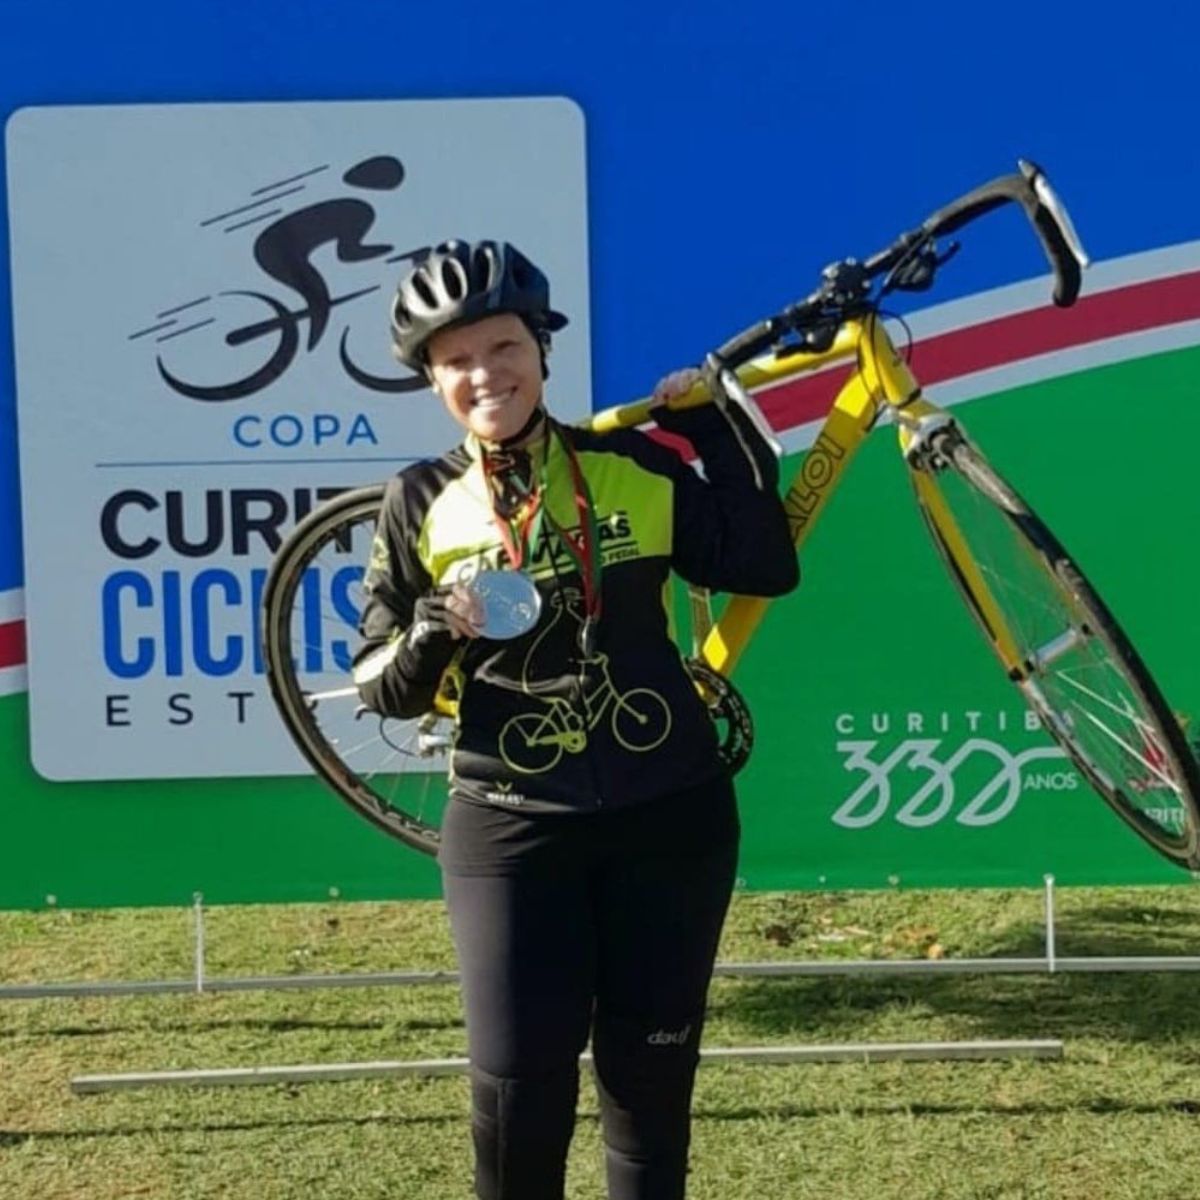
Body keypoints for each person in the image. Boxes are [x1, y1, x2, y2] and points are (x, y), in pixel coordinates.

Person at [353, 239, 798, 1200]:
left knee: (649, 1095)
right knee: (521, 1093)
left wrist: (714, 430)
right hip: (512, 830)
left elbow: (764, 563)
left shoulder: (629, 462)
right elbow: (378, 685)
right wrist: (434, 627)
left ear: (542, 351)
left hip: (670, 815)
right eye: (457, 359)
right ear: (432, 381)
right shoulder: (420, 502)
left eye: (503, 346)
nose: (485, 374)